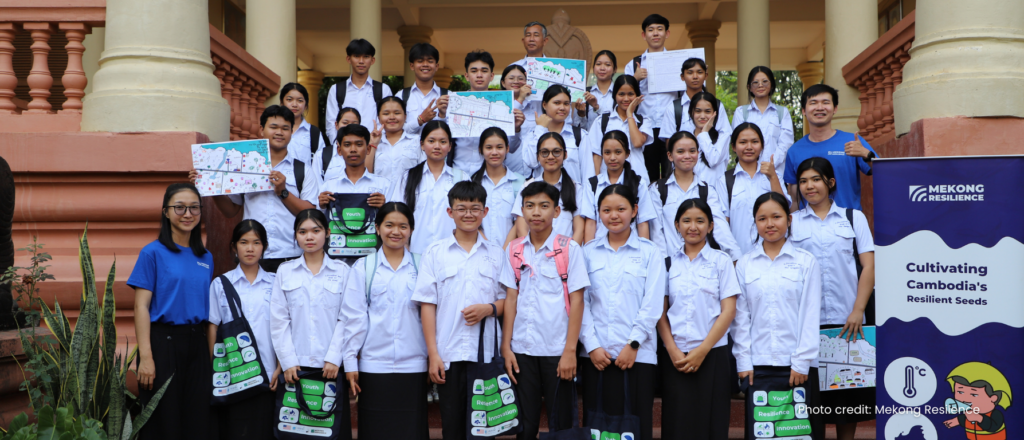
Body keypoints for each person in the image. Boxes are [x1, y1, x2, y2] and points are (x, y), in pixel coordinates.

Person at [412, 181, 515, 440]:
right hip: (449, 352)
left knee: (485, 427)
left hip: (486, 354)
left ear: (485, 211)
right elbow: (427, 305)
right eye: (461, 208)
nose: (468, 214)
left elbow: (509, 301)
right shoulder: (435, 252)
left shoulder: (496, 253)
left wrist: (489, 309)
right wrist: (433, 354)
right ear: (450, 212)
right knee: (453, 425)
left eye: (475, 208)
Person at [790, 157, 876, 440]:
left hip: (846, 322)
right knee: (810, 399)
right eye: (803, 181)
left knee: (846, 401)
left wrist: (858, 309)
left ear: (830, 182)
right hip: (806, 324)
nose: (809, 186)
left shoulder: (854, 218)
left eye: (816, 179)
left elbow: (869, 266)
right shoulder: (792, 223)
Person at [732, 192, 824, 440]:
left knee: (799, 433)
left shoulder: (806, 262)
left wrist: (801, 361)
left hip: (797, 366)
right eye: (762, 218)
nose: (769, 224)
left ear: (789, 220)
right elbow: (740, 318)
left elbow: (810, 313)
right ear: (755, 222)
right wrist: (743, 361)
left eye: (776, 217)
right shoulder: (745, 264)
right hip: (758, 366)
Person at [502, 181, 590, 440]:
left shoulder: (569, 248)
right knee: (524, 425)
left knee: (562, 424)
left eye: (544, 206)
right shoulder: (514, 249)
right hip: (522, 349)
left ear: (557, 211)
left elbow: (577, 301)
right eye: (530, 206)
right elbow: (510, 299)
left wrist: (570, 351)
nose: (536, 212)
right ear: (522, 211)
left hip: (557, 350)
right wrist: (506, 347)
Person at [579, 184, 666, 440]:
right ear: (598, 213)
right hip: (597, 357)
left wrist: (633, 343)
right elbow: (580, 303)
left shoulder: (650, 252)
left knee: (636, 427)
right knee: (597, 428)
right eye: (606, 210)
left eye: (621, 209)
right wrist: (592, 346)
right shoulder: (587, 252)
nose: (613, 215)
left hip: (638, 356)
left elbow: (653, 304)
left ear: (634, 210)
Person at [129, 183, 214, 440]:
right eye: (179, 207)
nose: (188, 214)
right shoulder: (152, 253)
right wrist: (146, 357)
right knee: (164, 423)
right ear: (166, 212)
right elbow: (141, 306)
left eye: (194, 207)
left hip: (197, 344)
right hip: (163, 344)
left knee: (197, 421)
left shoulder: (206, 257)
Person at [339, 202, 429, 440]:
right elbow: (353, 318)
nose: (396, 231)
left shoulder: (423, 265)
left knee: (412, 431)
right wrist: (350, 362)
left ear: (411, 230)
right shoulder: (364, 267)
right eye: (389, 225)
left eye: (403, 226)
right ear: (377, 228)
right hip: (373, 365)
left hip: (415, 365)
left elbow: (432, 317)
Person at [193, 105, 320, 273]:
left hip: (291, 253)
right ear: (262, 130)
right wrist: (211, 187)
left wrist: (283, 192)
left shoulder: (303, 170)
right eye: (273, 127)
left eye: (285, 128)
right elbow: (231, 210)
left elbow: (310, 213)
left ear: (292, 132)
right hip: (252, 253)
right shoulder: (243, 165)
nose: (279, 132)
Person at [656, 198, 739, 440]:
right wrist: (672, 349)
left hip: (713, 354)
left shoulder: (721, 261)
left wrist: (702, 350)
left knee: (711, 423)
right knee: (677, 424)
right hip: (676, 357)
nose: (693, 227)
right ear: (677, 225)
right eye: (686, 221)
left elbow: (728, 311)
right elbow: (660, 312)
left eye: (700, 221)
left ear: (710, 226)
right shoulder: (667, 263)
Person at [270, 209, 353, 440]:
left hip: (331, 368)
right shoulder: (285, 271)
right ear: (295, 235)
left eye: (316, 230)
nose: (309, 237)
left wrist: (334, 357)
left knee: (331, 432)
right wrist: (288, 361)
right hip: (296, 369)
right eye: (302, 231)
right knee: (296, 432)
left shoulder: (343, 271)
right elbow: (279, 321)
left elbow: (347, 318)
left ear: (328, 232)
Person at [207, 219, 279, 440]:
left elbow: (283, 328)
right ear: (234, 247)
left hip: (268, 373)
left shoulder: (276, 283)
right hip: (234, 373)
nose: (250, 248)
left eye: (256, 242)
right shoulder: (221, 284)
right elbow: (213, 327)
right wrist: (215, 366)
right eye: (244, 242)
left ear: (264, 247)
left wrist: (280, 366)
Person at [649, 131, 742, 261]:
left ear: (698, 154)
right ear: (670, 156)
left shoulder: (707, 191)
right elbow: (656, 232)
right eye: (680, 151)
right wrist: (664, 263)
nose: (687, 156)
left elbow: (720, 227)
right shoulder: (658, 190)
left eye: (692, 151)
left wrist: (736, 257)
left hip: (703, 264)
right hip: (671, 264)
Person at [784, 84, 877, 211]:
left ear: (835, 108)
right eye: (813, 103)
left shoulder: (853, 141)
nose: (820, 107)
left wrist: (866, 154)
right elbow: (795, 199)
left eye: (825, 102)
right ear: (804, 110)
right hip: (808, 221)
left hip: (847, 220)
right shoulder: (794, 151)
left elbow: (883, 173)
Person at [388, 120, 468, 253]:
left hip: (453, 252)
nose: (437, 146)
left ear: (450, 146)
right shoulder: (408, 178)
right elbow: (397, 214)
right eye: (431, 141)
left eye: (443, 142)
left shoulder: (461, 178)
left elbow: (468, 217)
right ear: (422, 145)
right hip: (416, 251)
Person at [450, 50, 526, 174]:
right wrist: (441, 114)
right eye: (474, 71)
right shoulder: (454, 103)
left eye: (484, 71)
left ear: (492, 76)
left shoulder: (502, 105)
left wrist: (516, 128)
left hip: (490, 173)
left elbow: (511, 148)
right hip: (458, 171)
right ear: (466, 76)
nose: (479, 75)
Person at [718, 123, 788, 256]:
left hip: (774, 255)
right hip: (740, 255)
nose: (749, 147)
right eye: (743, 142)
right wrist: (733, 255)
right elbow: (722, 223)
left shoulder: (774, 175)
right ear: (733, 147)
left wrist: (773, 177)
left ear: (762, 146)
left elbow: (784, 210)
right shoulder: (725, 180)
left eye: (755, 142)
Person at [512, 132, 589, 244]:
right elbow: (521, 228)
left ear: (565, 154)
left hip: (566, 253)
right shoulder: (527, 186)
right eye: (545, 152)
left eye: (556, 152)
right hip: (533, 253)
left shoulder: (576, 188)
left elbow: (579, 229)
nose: (551, 156)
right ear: (538, 156)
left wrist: (568, 252)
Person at [624, 14, 673, 180]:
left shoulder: (677, 62)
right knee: (646, 176)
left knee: (671, 175)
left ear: (667, 33)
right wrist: (635, 78)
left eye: (660, 29)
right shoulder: (633, 64)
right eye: (651, 30)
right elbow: (623, 94)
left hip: (670, 126)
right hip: (645, 128)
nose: (655, 33)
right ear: (644, 35)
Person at [582, 130, 655, 242]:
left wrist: (643, 250)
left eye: (618, 152)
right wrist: (589, 250)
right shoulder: (593, 184)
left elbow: (642, 222)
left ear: (627, 154)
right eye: (607, 152)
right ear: (602, 154)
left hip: (631, 247)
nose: (612, 157)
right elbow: (591, 223)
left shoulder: (638, 183)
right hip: (600, 247)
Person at [732, 66, 794, 180]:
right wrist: (755, 167)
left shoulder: (782, 112)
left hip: (776, 173)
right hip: (748, 174)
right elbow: (738, 142)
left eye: (765, 81)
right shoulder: (741, 112)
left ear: (772, 85)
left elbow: (786, 144)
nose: (760, 85)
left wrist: (770, 165)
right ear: (749, 87)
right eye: (755, 82)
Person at [325, 39, 394, 143]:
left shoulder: (383, 89)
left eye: (366, 56)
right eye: (356, 56)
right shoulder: (336, 90)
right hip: (345, 149)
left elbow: (387, 122)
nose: (361, 61)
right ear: (348, 59)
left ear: (372, 60)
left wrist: (374, 145)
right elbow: (331, 124)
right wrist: (340, 146)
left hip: (377, 148)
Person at [586, 75, 653, 182]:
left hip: (637, 179)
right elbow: (597, 155)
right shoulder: (602, 121)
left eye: (630, 94)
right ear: (614, 95)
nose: (626, 99)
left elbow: (637, 143)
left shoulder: (644, 121)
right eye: (621, 94)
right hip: (608, 180)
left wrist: (629, 114)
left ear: (637, 95)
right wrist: (597, 183)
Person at [469, 127, 527, 248]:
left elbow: (520, 220)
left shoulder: (520, 182)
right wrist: (489, 248)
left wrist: (505, 250)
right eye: (489, 147)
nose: (494, 152)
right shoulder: (472, 182)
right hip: (479, 249)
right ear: (480, 149)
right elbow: (471, 219)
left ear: (507, 149)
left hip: (511, 251)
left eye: (499, 147)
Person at [523, 85, 591, 181]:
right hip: (542, 190)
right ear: (544, 105)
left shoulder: (580, 135)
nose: (562, 108)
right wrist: (540, 129)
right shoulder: (532, 134)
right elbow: (532, 163)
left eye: (566, 104)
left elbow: (588, 173)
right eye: (557, 103)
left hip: (573, 190)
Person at [657, 58, 732, 144]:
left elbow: (724, 136)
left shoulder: (717, 105)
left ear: (706, 76)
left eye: (699, 72)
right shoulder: (673, 108)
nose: (695, 76)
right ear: (682, 77)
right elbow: (669, 142)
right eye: (690, 72)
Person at [317, 124, 390, 211]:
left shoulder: (384, 185)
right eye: (347, 145)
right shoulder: (328, 187)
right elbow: (318, 216)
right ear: (339, 150)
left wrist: (386, 207)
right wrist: (322, 207)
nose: (353, 149)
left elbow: (394, 216)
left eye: (359, 144)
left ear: (368, 149)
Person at [364, 97, 423, 182]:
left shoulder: (417, 141)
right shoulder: (371, 142)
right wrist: (373, 144)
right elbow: (366, 174)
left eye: (397, 113)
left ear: (405, 117)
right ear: (379, 118)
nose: (392, 117)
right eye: (386, 113)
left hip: (409, 190)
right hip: (379, 190)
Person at [402, 43, 449, 135]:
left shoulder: (448, 96)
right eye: (420, 61)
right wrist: (420, 120)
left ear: (436, 66)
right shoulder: (401, 96)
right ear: (412, 66)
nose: (425, 64)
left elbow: (455, 132)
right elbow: (396, 131)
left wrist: (442, 115)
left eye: (430, 61)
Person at [509, 21, 550, 127]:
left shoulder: (554, 69)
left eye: (536, 35)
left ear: (545, 41)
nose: (531, 39)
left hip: (547, 125)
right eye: (528, 35)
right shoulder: (513, 68)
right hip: (519, 126)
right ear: (523, 41)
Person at [280, 83, 327, 166]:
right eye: (289, 100)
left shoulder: (314, 133)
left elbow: (321, 163)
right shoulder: (273, 130)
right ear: (282, 103)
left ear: (305, 106)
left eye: (300, 101)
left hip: (306, 175)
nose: (294, 104)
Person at [313, 107, 363, 180]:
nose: (349, 127)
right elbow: (317, 184)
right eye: (345, 123)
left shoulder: (364, 154)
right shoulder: (321, 155)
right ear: (336, 125)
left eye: (354, 124)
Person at [499, 64, 532, 177]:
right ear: (503, 83)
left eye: (521, 78)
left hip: (533, 169)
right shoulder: (497, 105)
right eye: (511, 78)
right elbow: (509, 117)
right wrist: (520, 98)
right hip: (508, 169)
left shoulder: (535, 106)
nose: (516, 81)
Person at [574, 50, 617, 129]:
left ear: (615, 69)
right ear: (593, 68)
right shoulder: (584, 93)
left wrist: (596, 107)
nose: (602, 68)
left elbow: (619, 122)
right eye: (598, 64)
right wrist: (581, 114)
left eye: (607, 64)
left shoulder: (619, 94)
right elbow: (578, 129)